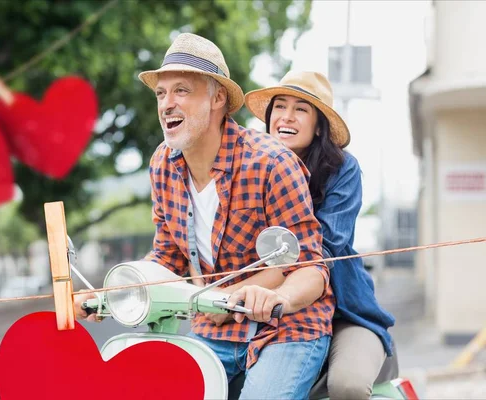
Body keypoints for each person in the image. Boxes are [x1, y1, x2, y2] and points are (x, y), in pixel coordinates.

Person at [74, 33, 335, 399]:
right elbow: (167, 259)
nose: (167, 104)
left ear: (217, 99)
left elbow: (311, 266)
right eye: (161, 94)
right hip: (215, 330)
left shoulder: (272, 162)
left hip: (287, 328)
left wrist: (280, 299)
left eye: (181, 90)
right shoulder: (162, 165)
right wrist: (113, 292)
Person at [227, 70, 398, 399]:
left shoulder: (343, 169)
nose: (286, 117)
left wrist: (260, 283)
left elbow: (322, 248)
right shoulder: (249, 168)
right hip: (272, 309)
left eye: (301, 109)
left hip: (342, 311)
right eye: (279, 107)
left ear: (319, 124)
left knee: (347, 385)